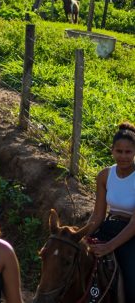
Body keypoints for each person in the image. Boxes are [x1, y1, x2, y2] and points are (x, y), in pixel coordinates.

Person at [76, 122, 135, 301]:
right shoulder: (105, 175)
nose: (123, 156)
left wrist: (110, 246)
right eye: (119, 151)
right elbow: (98, 215)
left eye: (128, 152)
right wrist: (81, 236)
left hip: (131, 234)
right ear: (112, 150)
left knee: (132, 280)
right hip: (109, 226)